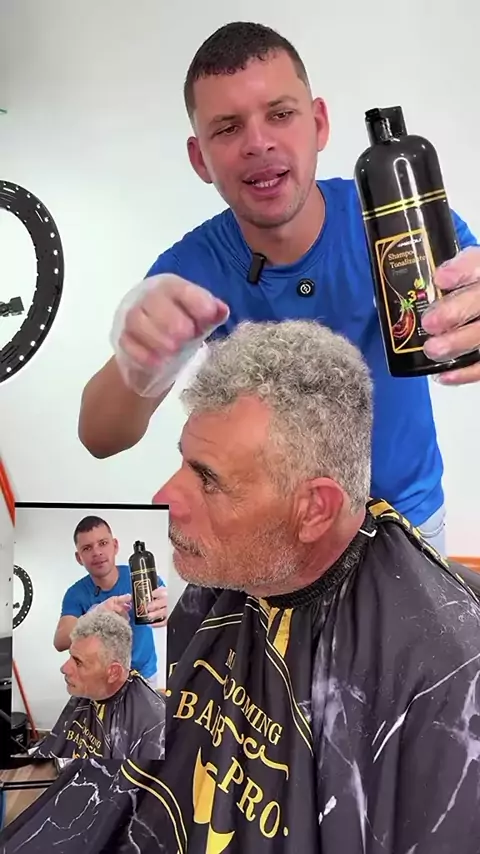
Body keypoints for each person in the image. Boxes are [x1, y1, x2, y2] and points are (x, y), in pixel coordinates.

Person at [4, 320, 480, 853]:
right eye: (183, 461)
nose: (162, 497)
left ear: (314, 509)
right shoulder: (234, 574)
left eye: (207, 479)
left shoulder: (445, 682)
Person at [78, 21, 480, 557]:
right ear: (200, 159)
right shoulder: (189, 269)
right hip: (278, 541)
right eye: (228, 128)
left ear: (318, 123)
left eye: (280, 114)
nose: (258, 143)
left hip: (409, 522)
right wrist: (140, 361)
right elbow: (101, 438)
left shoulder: (402, 221)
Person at [32, 610, 165, 761]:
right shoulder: (87, 691)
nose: (64, 668)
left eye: (78, 662)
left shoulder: (151, 727)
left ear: (113, 672)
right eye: (71, 657)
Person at [53, 515, 167, 687]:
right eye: (87, 548)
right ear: (79, 558)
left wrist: (172, 608)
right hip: (102, 681)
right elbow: (60, 642)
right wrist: (96, 614)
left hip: (145, 676)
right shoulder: (75, 594)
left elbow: (180, 616)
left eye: (103, 543)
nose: (97, 552)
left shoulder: (141, 576)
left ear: (115, 546)